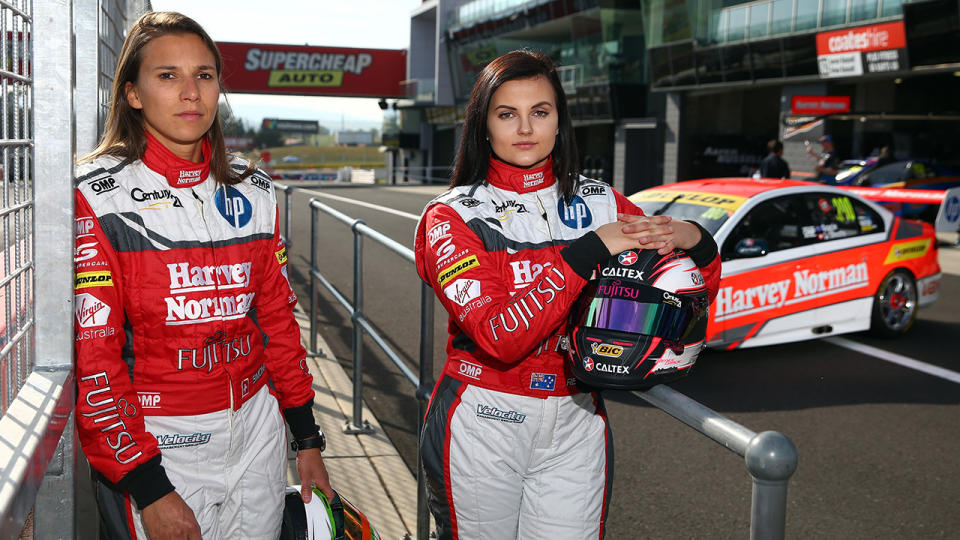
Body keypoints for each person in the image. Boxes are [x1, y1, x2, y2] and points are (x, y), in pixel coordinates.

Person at [412, 50, 721, 540]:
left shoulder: (602, 203)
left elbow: (686, 293)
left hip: (578, 417)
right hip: (483, 418)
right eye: (507, 114)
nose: (526, 128)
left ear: (560, 120)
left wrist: (698, 242)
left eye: (541, 111)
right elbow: (499, 336)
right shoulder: (450, 216)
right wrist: (589, 252)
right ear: (483, 126)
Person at [73, 12, 333, 539]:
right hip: (162, 443)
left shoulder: (255, 190)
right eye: (168, 76)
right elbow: (96, 361)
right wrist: (148, 486)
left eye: (205, 75)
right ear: (133, 94)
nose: (190, 92)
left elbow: (278, 323)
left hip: (259, 431)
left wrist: (306, 439)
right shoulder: (97, 197)